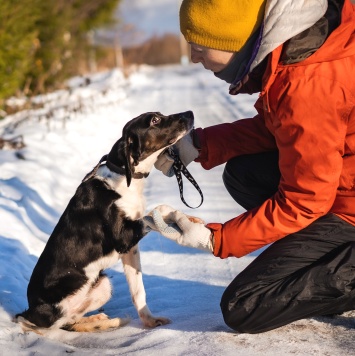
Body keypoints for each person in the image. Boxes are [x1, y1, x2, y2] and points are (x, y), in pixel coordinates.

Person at [145, 0, 355, 334]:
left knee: (246, 304)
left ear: (239, 41)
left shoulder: (307, 79)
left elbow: (306, 198)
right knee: (244, 174)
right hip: (344, 182)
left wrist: (216, 239)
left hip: (347, 204)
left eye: (199, 47)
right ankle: (326, 253)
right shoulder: (304, 48)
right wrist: (200, 144)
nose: (193, 58)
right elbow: (289, 128)